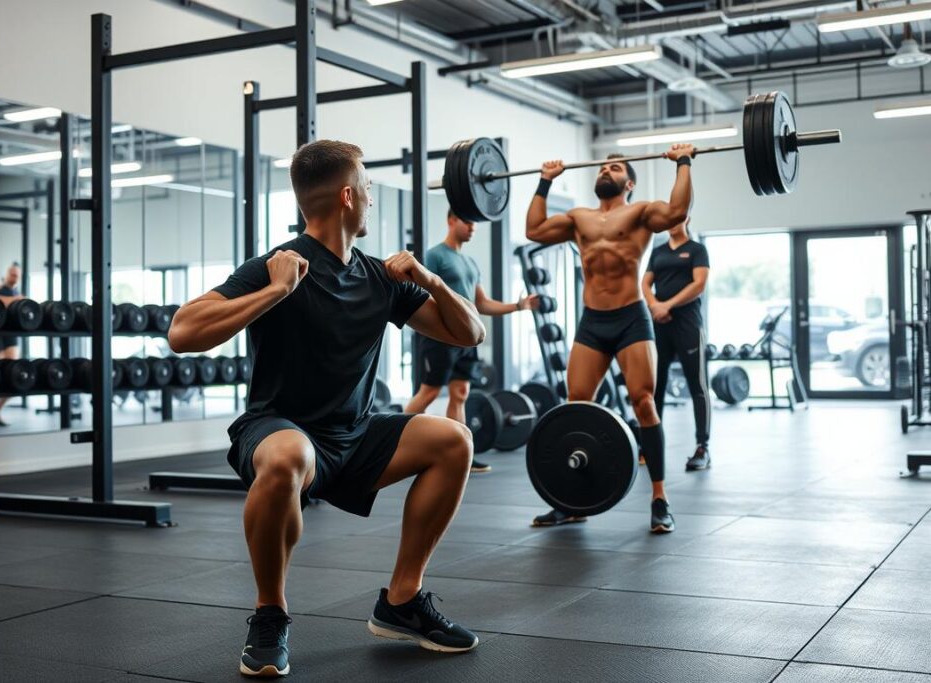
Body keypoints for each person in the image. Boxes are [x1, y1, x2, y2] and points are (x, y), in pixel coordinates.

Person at [169, 140, 486, 678]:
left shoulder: (381, 277)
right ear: (347, 197)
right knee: (287, 455)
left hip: (355, 434)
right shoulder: (277, 265)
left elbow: (469, 332)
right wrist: (274, 292)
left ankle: (402, 602)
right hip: (279, 429)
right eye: (366, 189)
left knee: (453, 440)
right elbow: (182, 332)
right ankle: (270, 614)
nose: (369, 199)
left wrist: (430, 280)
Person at [524, 144, 694, 534]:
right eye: (603, 166)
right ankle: (570, 503)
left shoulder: (641, 212)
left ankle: (659, 498)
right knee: (575, 406)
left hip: (631, 318)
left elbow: (677, 212)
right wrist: (545, 182)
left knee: (644, 402)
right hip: (592, 322)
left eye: (614, 167)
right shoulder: (578, 218)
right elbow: (533, 230)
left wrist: (683, 162)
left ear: (628, 182)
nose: (606, 169)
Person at [403, 209, 539, 473]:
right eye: (467, 221)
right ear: (451, 220)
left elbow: (481, 303)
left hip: (465, 339)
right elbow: (420, 292)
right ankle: (395, 447)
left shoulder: (470, 263)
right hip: (439, 338)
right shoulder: (435, 255)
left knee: (461, 395)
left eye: (475, 224)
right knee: (428, 392)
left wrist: (518, 306)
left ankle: (461, 453)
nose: (472, 227)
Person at [642, 217, 711, 471]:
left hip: (688, 325)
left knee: (698, 386)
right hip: (660, 325)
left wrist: (666, 305)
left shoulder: (697, 250)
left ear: (687, 219)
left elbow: (699, 284)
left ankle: (703, 448)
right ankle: (650, 446)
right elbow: (645, 283)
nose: (671, 222)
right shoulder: (658, 251)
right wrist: (653, 306)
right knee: (654, 387)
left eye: (677, 218)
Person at [0, 263, 24, 426]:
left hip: (12, 335)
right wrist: (15, 300)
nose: (14, 277)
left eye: (17, 275)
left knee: (13, 376)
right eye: (12, 274)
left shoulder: (18, 293)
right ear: (7, 274)